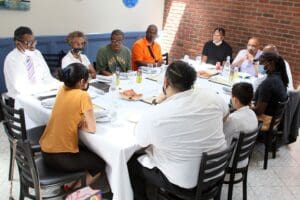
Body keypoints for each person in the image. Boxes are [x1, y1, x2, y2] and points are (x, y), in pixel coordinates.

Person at [128, 61, 228, 200]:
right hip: (216, 172)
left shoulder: (157, 115)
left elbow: (141, 141)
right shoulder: (212, 97)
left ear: (166, 82)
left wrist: (157, 103)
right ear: (193, 82)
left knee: (132, 162)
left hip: (186, 183)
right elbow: (225, 115)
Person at [39, 63, 105, 187]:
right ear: (81, 81)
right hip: (61, 157)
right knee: (99, 164)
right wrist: (81, 124)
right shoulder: (82, 95)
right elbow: (92, 128)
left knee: (87, 151)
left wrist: (77, 122)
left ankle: (71, 183)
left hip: (45, 151)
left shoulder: (62, 89)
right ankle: (73, 189)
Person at [3, 26, 60, 99]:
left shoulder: (37, 53)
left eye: (34, 42)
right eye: (28, 43)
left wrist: (61, 85)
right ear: (17, 43)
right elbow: (22, 89)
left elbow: (47, 78)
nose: (33, 46)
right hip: (21, 99)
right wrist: (46, 88)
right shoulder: (12, 59)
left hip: (42, 94)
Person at [224, 83, 258, 167]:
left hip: (230, 160)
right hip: (243, 158)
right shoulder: (253, 114)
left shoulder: (234, 119)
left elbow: (221, 136)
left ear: (235, 99)